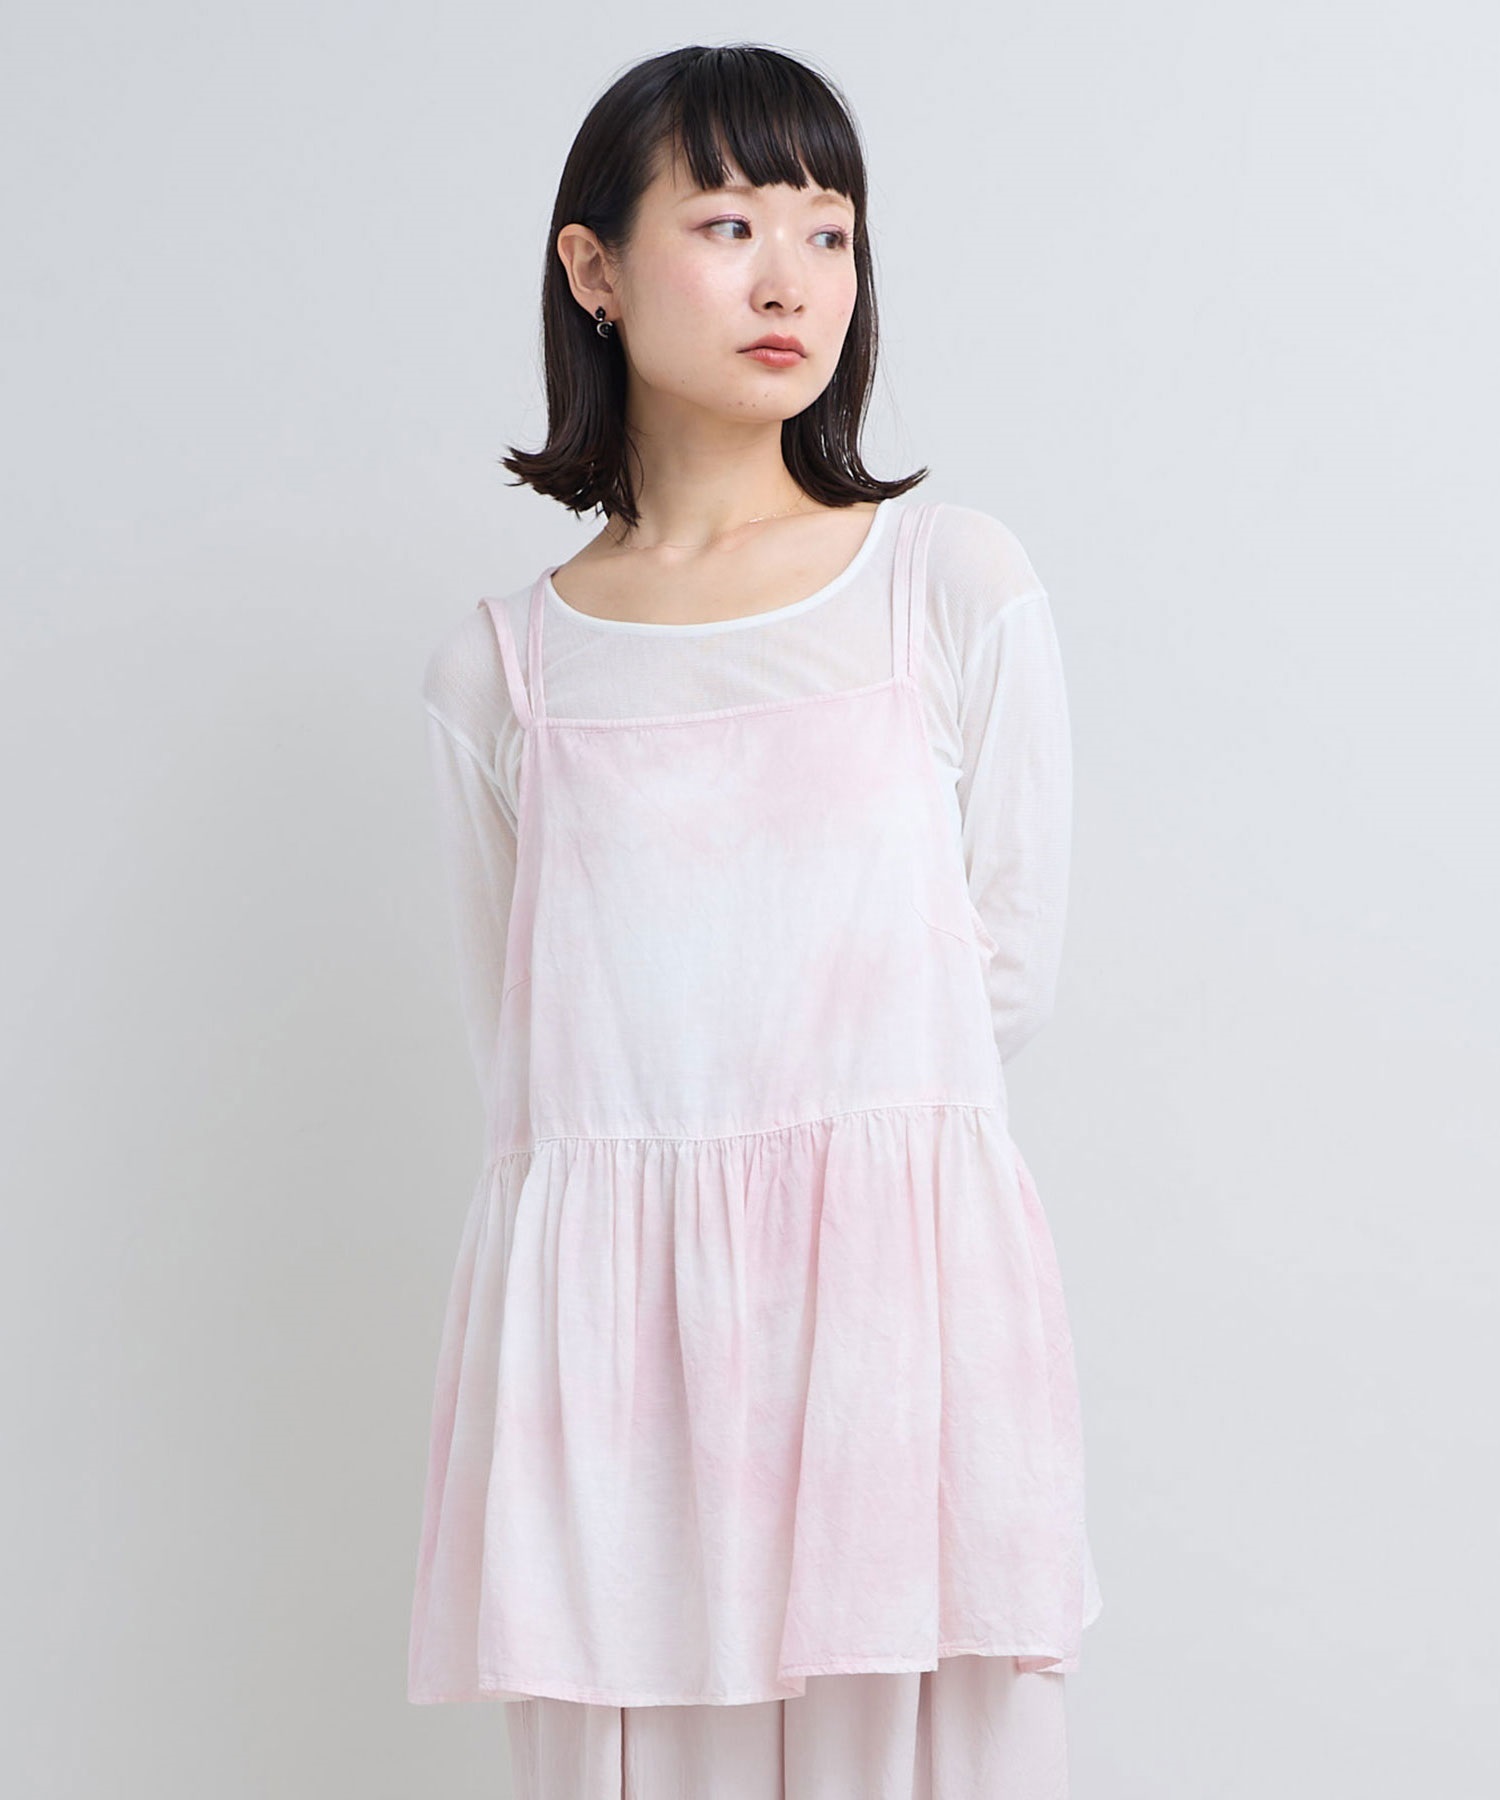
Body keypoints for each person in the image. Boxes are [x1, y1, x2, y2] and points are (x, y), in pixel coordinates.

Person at [408, 41, 1102, 1799]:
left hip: (899, 1342)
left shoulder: (948, 589)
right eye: (727, 224)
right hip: (622, 1383)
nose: (791, 279)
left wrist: (835, 1175)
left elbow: (998, 971)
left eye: (829, 232)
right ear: (594, 268)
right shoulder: (505, 675)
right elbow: (528, 1060)